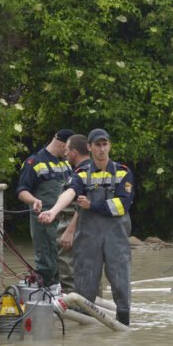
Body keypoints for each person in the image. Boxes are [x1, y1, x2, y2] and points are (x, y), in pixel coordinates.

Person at [38, 128, 134, 326]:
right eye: (97, 145)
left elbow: (121, 205)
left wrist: (92, 205)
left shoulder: (123, 172)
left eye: (104, 144)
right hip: (88, 239)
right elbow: (70, 192)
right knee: (84, 289)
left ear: (109, 145)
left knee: (121, 285)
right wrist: (54, 211)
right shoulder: (81, 174)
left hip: (116, 238)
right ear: (89, 147)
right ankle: (87, 338)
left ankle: (124, 327)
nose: (101, 149)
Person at [16, 129, 74, 286]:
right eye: (69, 149)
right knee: (48, 265)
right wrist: (34, 200)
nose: (70, 153)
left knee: (66, 266)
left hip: (66, 223)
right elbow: (22, 191)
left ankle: (65, 298)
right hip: (44, 222)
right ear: (62, 144)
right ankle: (45, 296)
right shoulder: (34, 162)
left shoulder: (66, 162)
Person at [56, 134, 92, 294]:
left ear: (74, 152)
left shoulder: (84, 173)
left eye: (67, 150)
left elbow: (84, 205)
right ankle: (92, 315)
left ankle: (77, 313)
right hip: (83, 229)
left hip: (75, 227)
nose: (65, 154)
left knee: (70, 276)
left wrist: (70, 231)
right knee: (89, 274)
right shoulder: (92, 170)